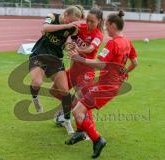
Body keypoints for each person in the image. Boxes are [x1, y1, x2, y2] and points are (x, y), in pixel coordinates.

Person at [66, 10, 138, 158]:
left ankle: (97, 140)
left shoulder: (113, 43)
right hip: (110, 83)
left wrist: (79, 58)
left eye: (106, 25)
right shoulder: (127, 42)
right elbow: (135, 62)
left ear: (112, 25)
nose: (105, 28)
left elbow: (100, 64)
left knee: (77, 111)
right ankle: (80, 132)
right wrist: (124, 72)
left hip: (106, 86)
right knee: (79, 95)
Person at [29, 5, 84, 134]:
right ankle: (35, 99)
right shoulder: (53, 16)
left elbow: (66, 42)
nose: (70, 24)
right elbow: (45, 28)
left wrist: (69, 47)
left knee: (65, 92)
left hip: (55, 59)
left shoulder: (72, 28)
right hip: (39, 55)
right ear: (64, 14)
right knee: (37, 83)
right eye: (69, 21)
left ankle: (66, 121)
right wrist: (66, 26)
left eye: (72, 22)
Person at [49, 8, 104, 135]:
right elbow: (68, 37)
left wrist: (76, 49)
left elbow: (90, 49)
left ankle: (88, 131)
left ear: (99, 21)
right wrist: (68, 46)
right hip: (74, 69)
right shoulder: (80, 27)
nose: (89, 23)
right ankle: (71, 108)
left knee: (85, 102)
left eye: (92, 21)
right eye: (87, 20)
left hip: (85, 71)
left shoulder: (98, 35)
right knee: (53, 90)